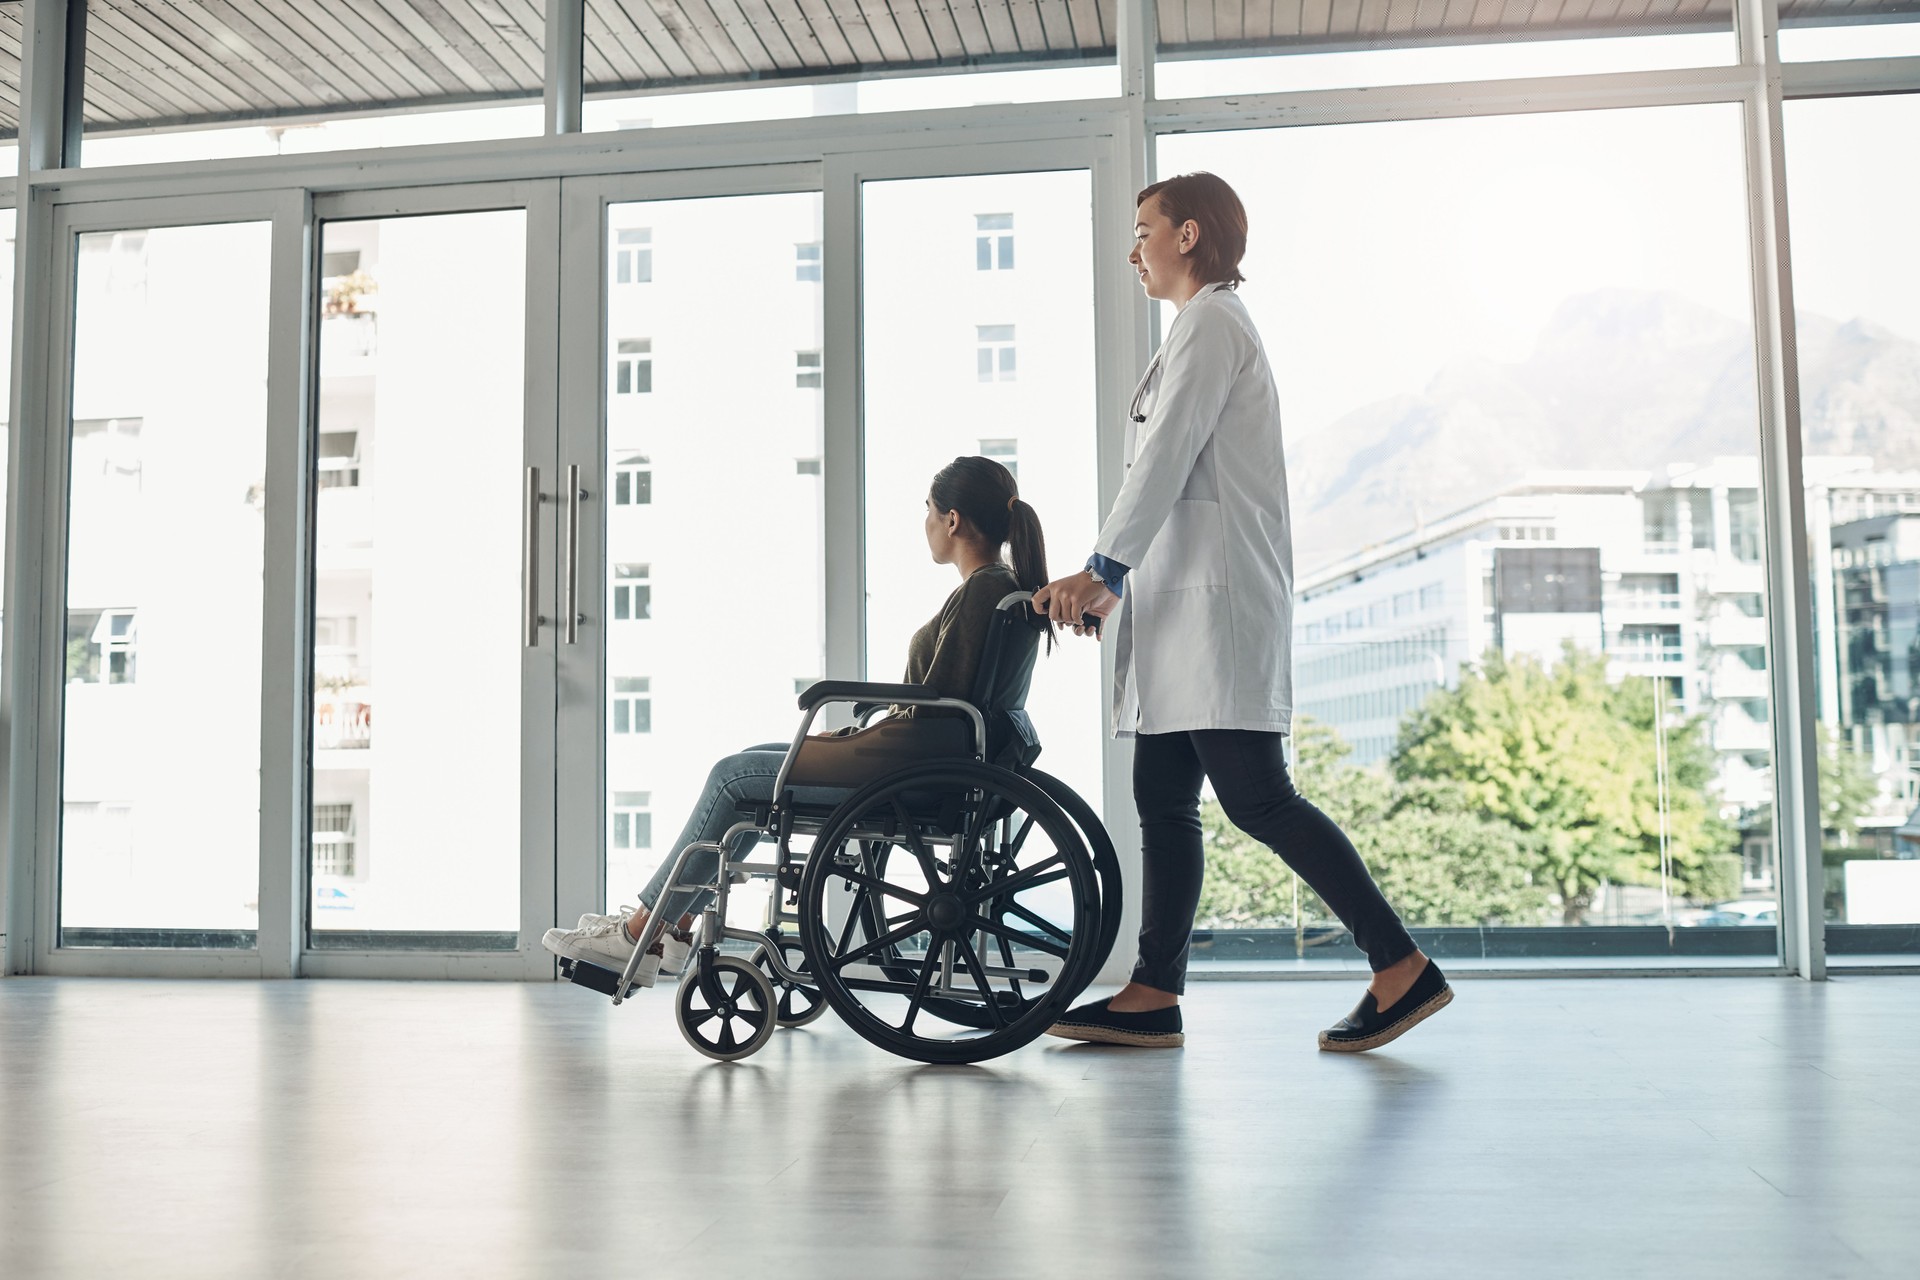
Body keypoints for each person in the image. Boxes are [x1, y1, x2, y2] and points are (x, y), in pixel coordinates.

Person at [1031, 172, 1452, 1052]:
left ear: (1188, 235)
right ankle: (1153, 991)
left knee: (1258, 798)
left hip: (1217, 616)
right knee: (1162, 797)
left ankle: (1400, 966)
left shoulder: (1215, 323)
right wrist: (1116, 578)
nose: (1134, 248)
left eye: (1143, 230)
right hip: (1183, 616)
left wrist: (1101, 568)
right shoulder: (1194, 330)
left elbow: (1168, 457)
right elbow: (1170, 470)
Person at [542, 455, 1055, 985]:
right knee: (753, 761)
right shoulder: (999, 588)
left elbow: (936, 712)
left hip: (910, 774)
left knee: (733, 777)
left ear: (952, 520)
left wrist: (856, 736)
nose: (924, 523)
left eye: (928, 511)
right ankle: (675, 925)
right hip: (919, 765)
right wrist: (855, 736)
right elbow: (937, 710)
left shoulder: (984, 590)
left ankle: (642, 931)